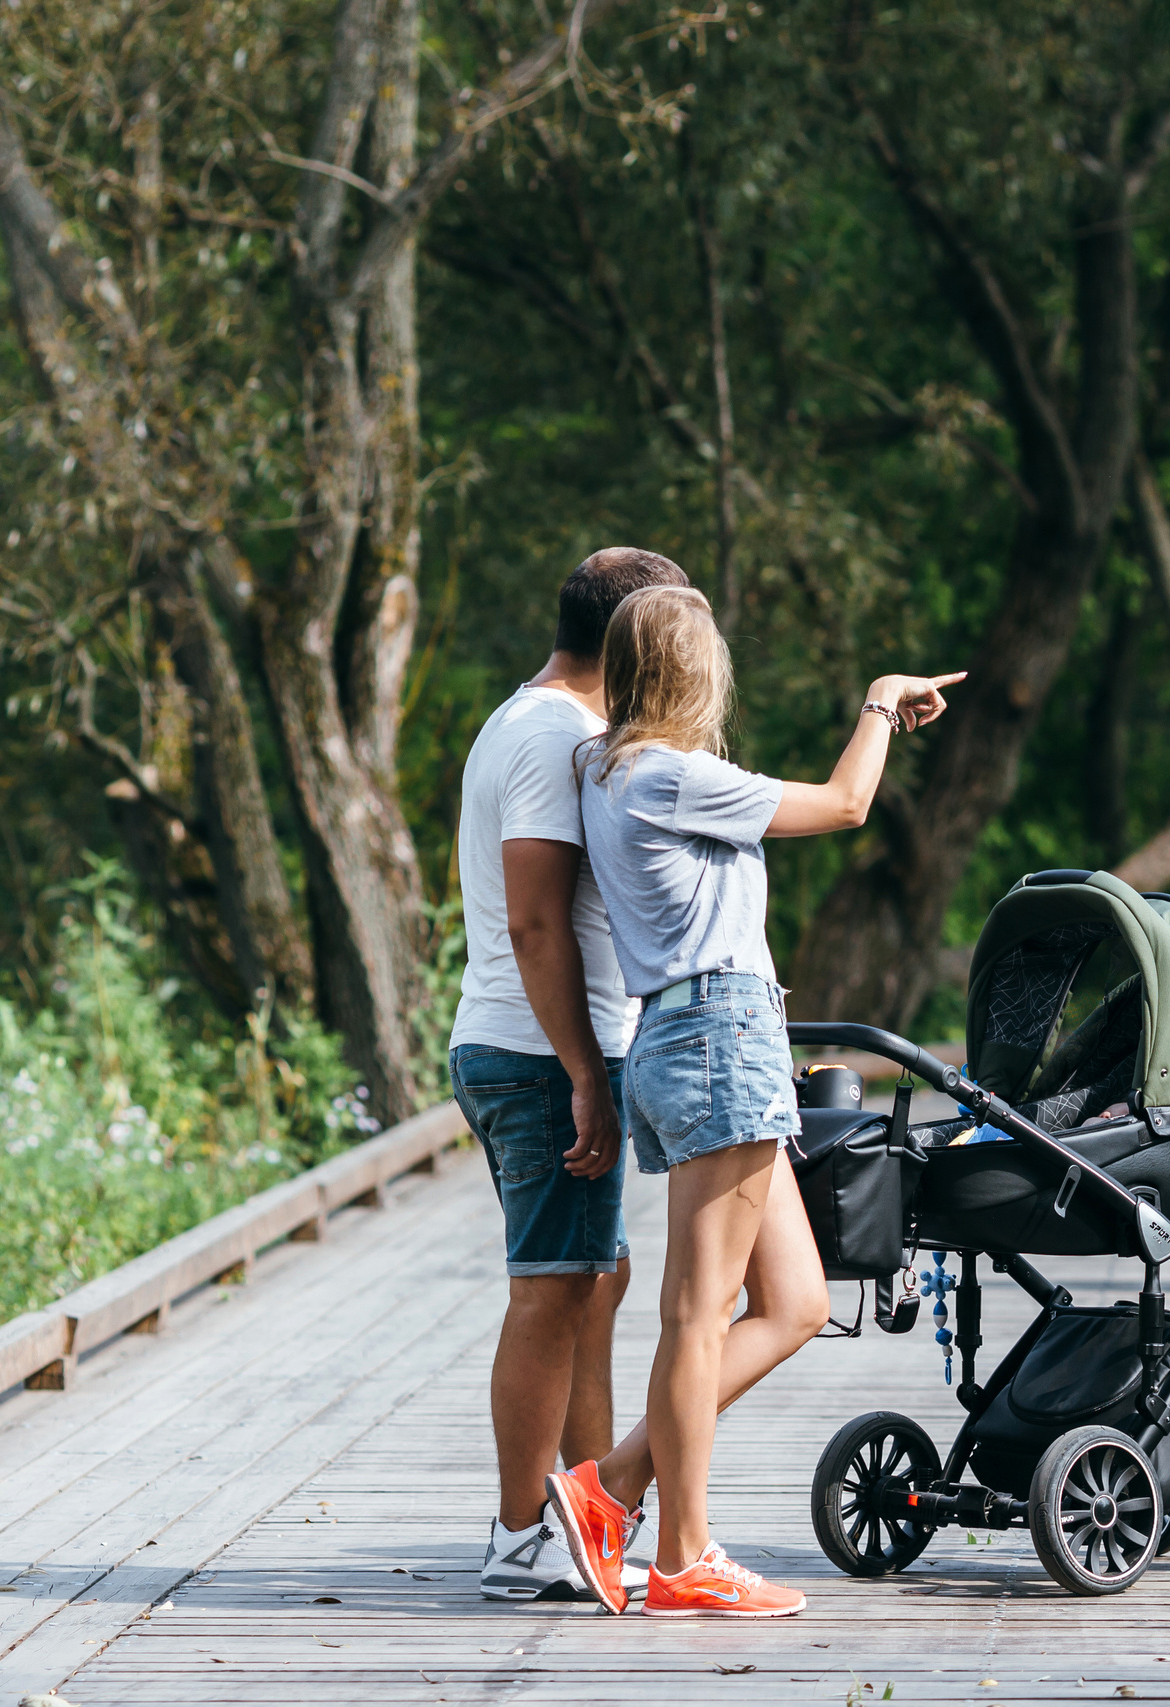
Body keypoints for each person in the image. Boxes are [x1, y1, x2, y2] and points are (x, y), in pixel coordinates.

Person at [544, 583, 963, 1618]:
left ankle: (611, 1486)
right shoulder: (672, 775)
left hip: (702, 1033)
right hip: (715, 1035)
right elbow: (847, 803)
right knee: (698, 1315)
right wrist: (880, 701)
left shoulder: (604, 767)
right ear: (696, 673)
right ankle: (682, 1556)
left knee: (797, 1302)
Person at [447, 547, 690, 1602]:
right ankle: (519, 1539)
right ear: (634, 636)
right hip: (543, 1054)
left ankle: (589, 1516)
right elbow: (534, 922)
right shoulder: (552, 737)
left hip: (540, 1048)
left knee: (596, 1279)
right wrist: (586, 1072)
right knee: (551, 1292)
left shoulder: (533, 719)